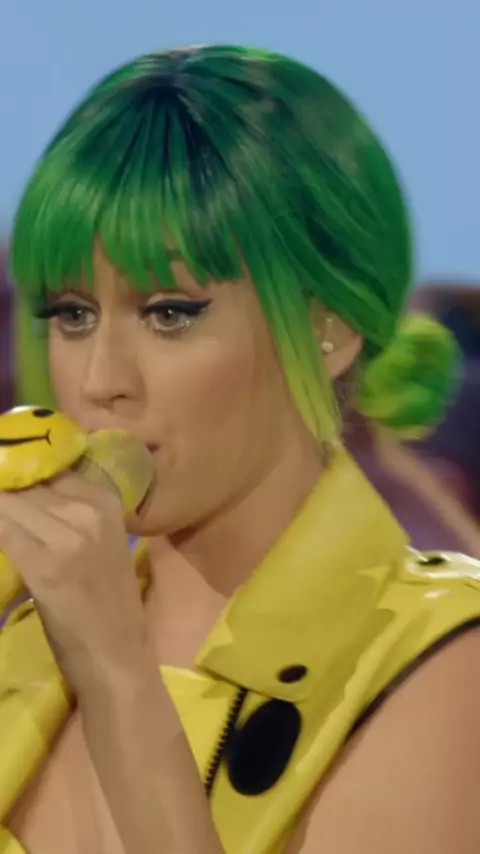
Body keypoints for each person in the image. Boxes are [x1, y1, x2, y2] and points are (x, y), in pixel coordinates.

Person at [1, 45, 480, 854]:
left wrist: (116, 674)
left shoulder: (446, 663)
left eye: (170, 313)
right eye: (73, 315)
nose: (101, 381)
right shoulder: (23, 639)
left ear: (329, 326)